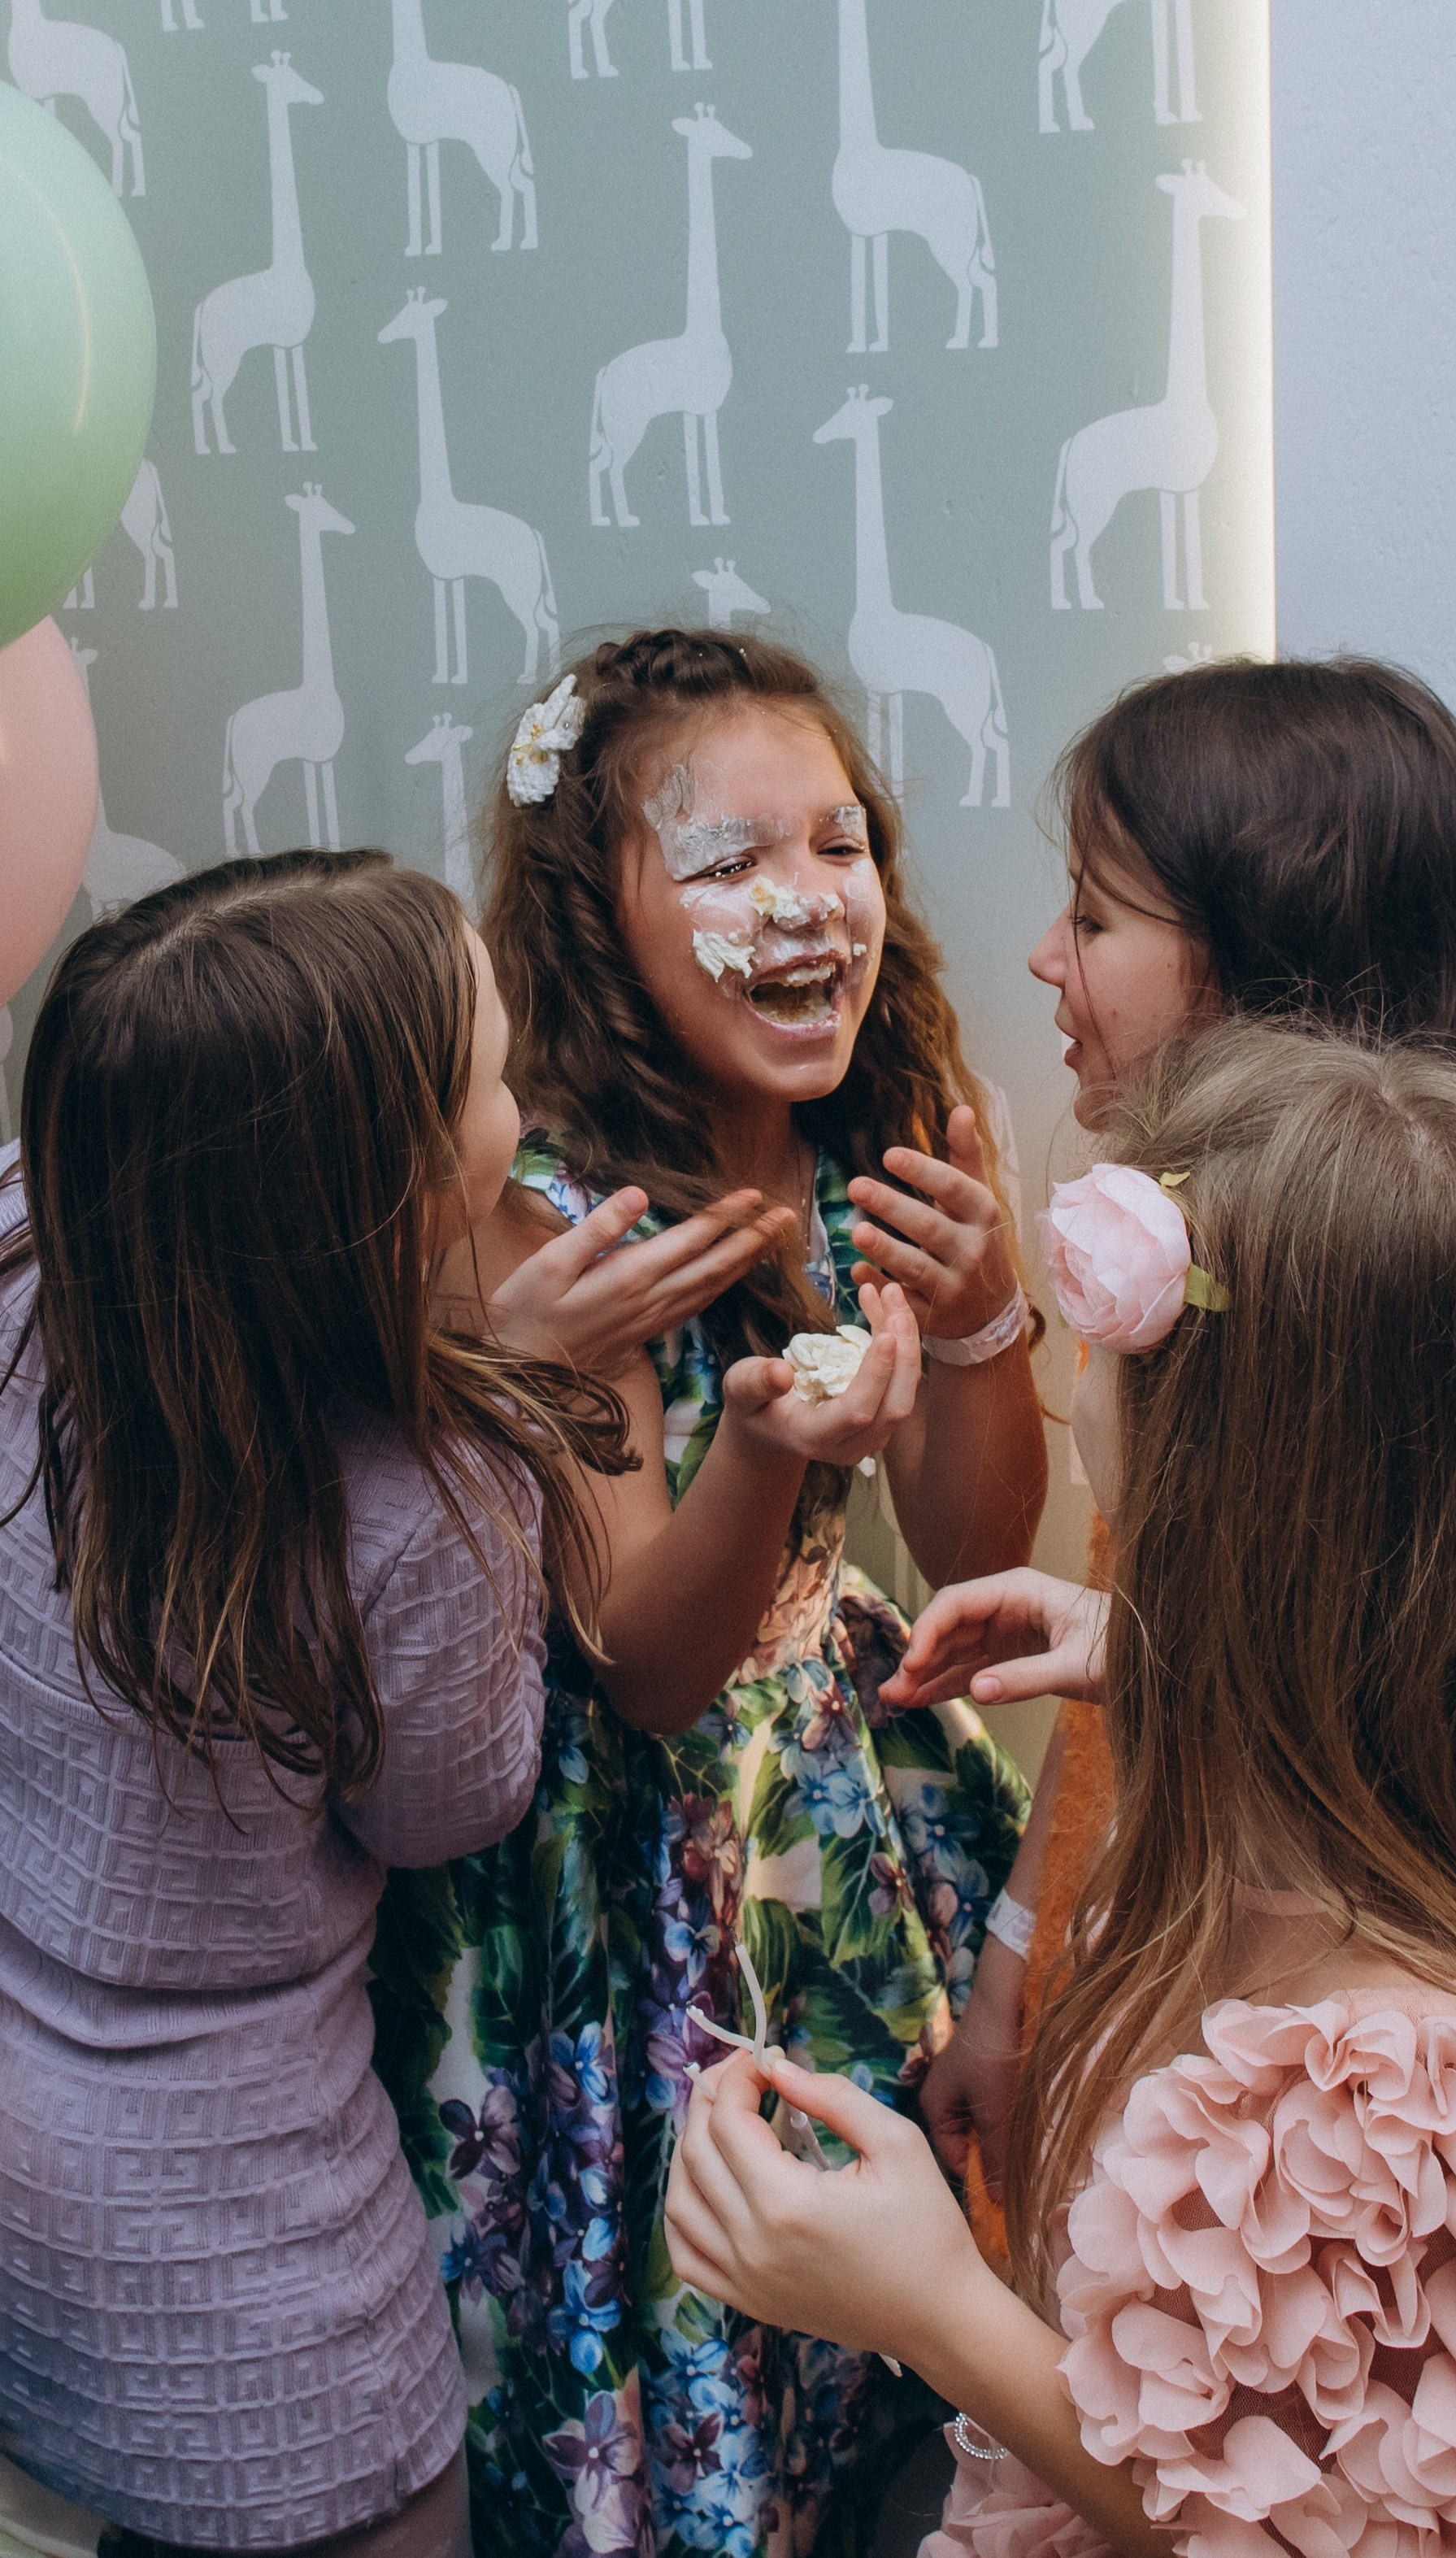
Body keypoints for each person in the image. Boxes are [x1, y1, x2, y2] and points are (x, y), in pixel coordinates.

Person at [666, 1018, 1456, 2556]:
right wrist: (1157, 1655)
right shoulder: (1445, 1824)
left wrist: (934, 2306)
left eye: (1094, 1350)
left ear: (1233, 1478)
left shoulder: (1394, 2105)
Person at [0, 849, 777, 2555]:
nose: (521, 1112)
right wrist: (504, 1411)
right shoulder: (410, 1506)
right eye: (493, 1087)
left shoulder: (35, 1264)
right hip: (246, 2247)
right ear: (391, 1196)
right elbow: (453, 1801)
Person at [370, 633, 1045, 2556]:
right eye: (730, 861)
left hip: (830, 1828)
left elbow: (984, 1546)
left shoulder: (899, 1122)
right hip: (617, 1856)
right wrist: (767, 1448)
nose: (806, 901)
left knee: (847, 2355)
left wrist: (986, 1314)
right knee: (665, 2347)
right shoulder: (547, 1199)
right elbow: (646, 1666)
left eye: (840, 843)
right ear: (598, 920)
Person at [931, 655, 1456, 2219]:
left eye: (1097, 917)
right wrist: (1012, 1975)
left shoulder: (1367, 1319)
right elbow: (1146, 1656)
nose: (1043, 959)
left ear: (1261, 948)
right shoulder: (1165, 1263)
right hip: (1125, 1953)